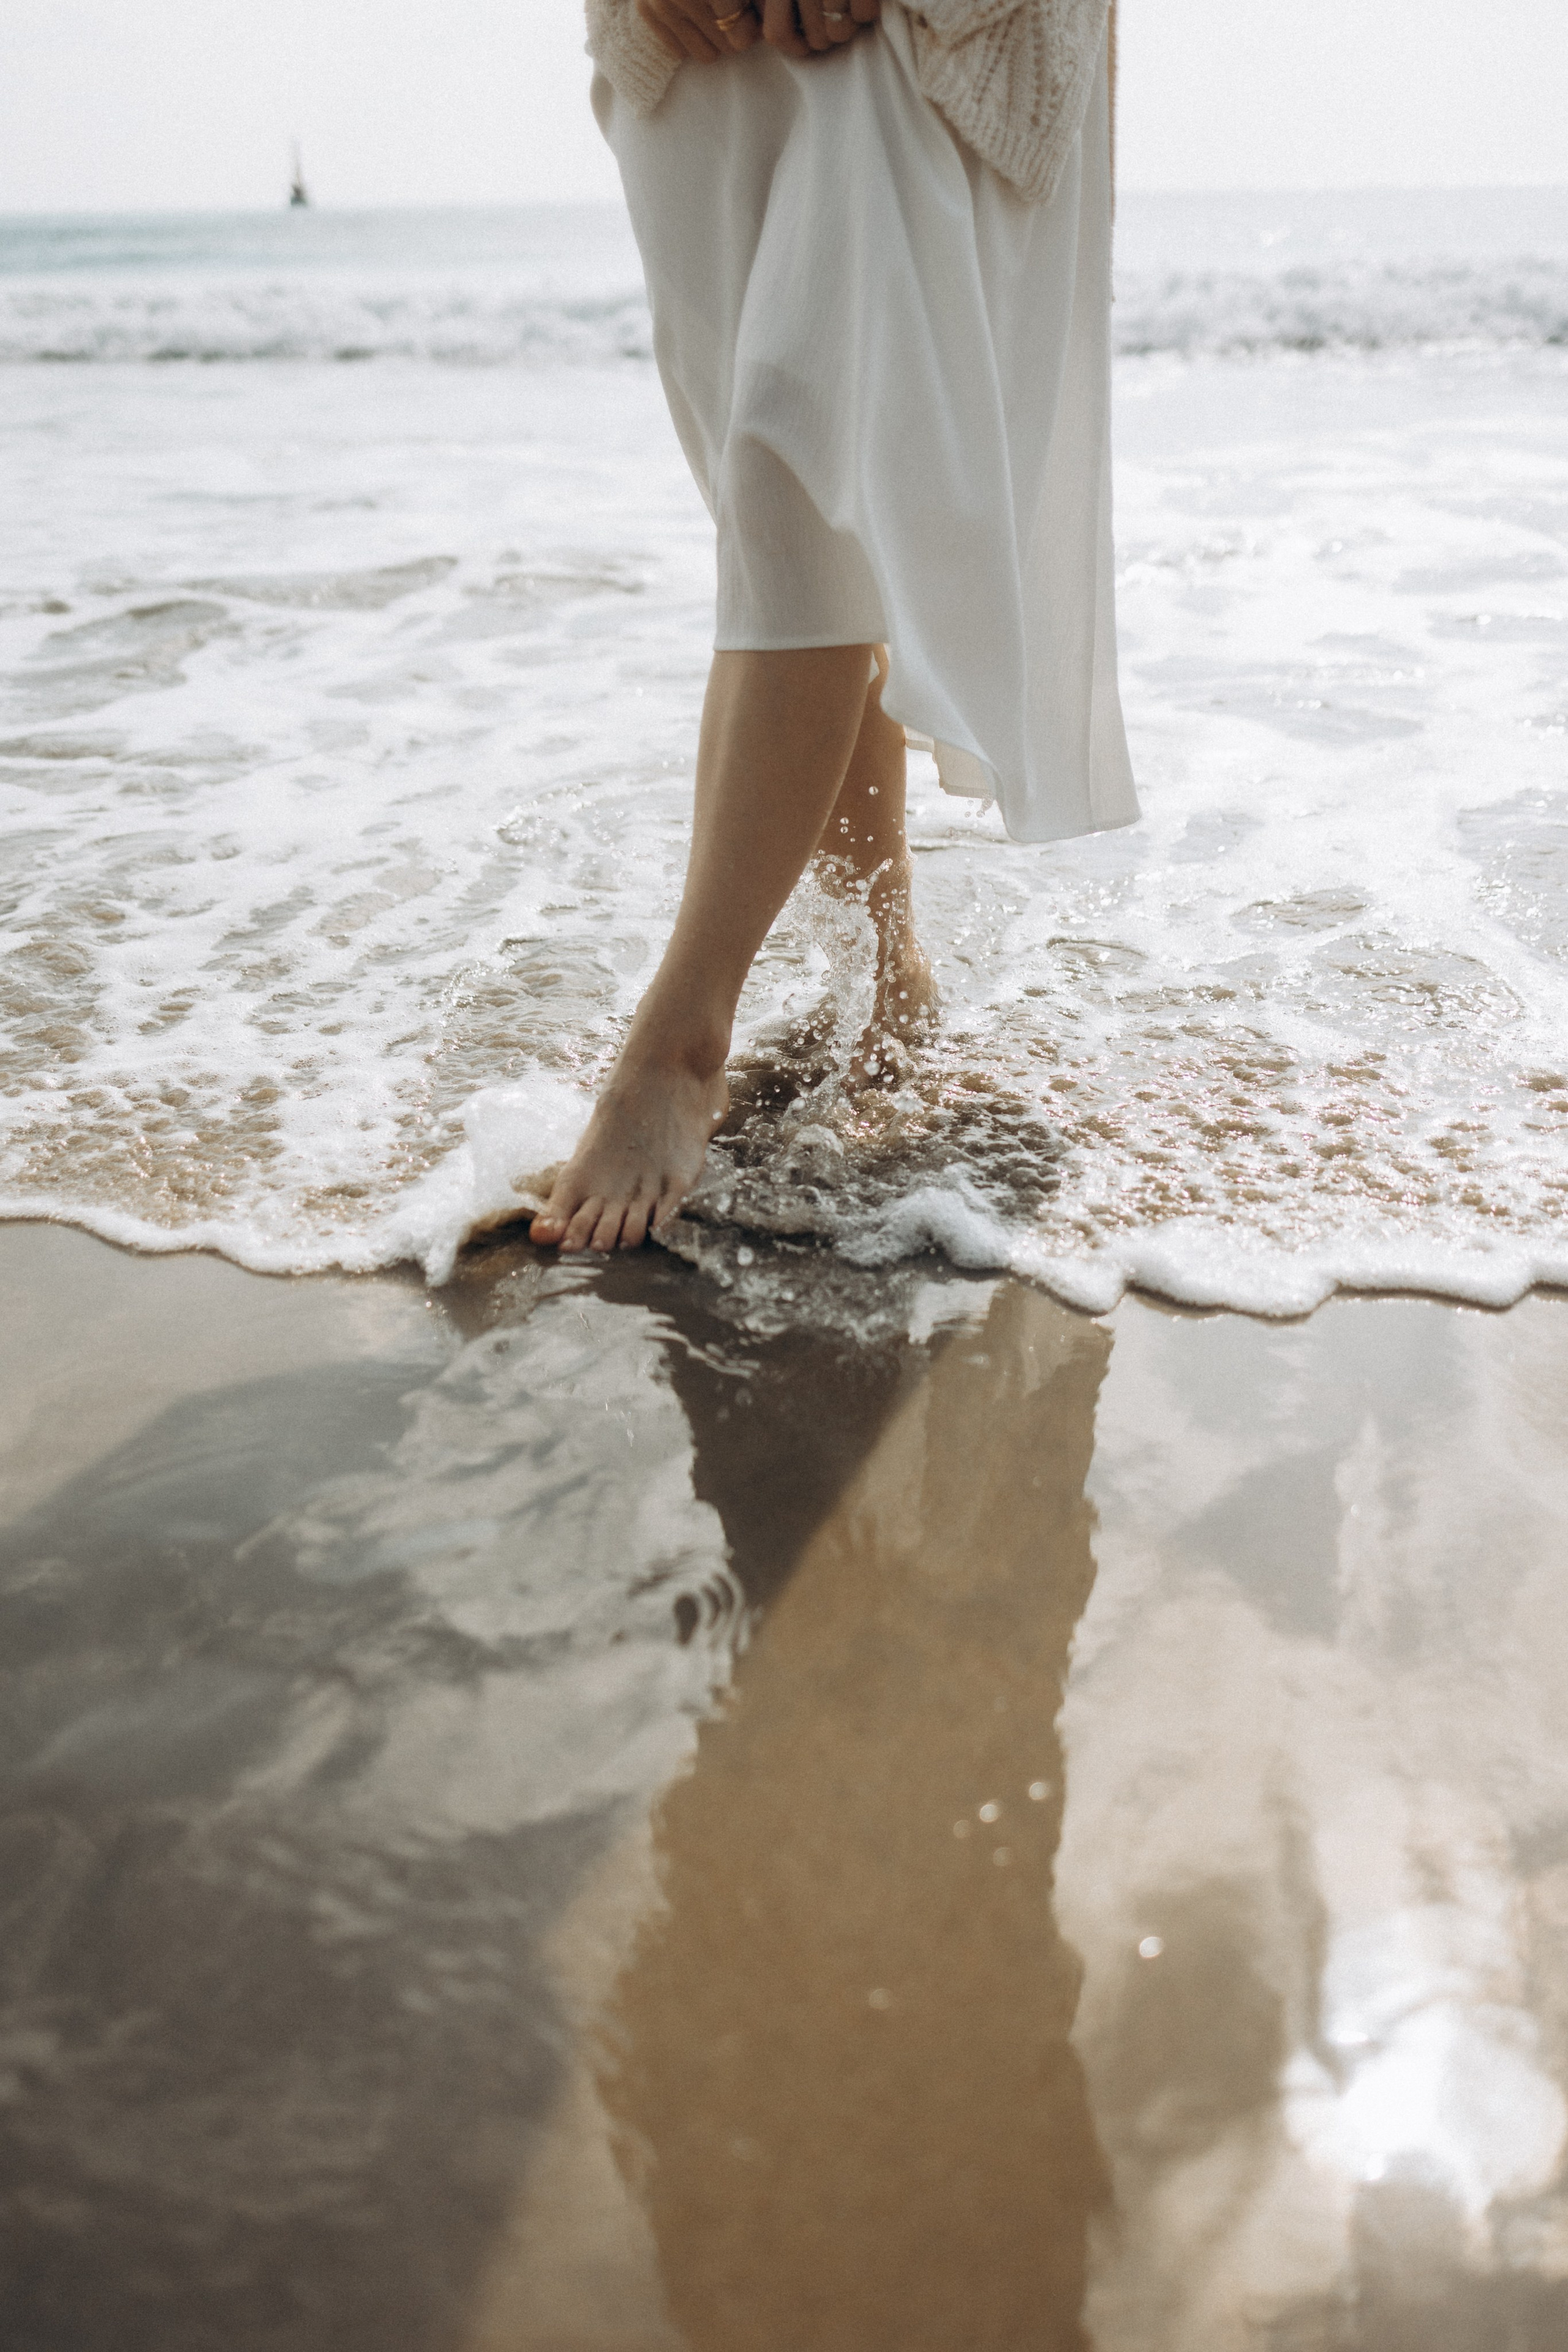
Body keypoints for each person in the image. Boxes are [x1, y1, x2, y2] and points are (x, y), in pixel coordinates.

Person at [529, 0, 1137, 1256]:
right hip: (683, 44)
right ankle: (882, 971)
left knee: (793, 480)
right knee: (776, 534)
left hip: (925, 36)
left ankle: (679, 1043)